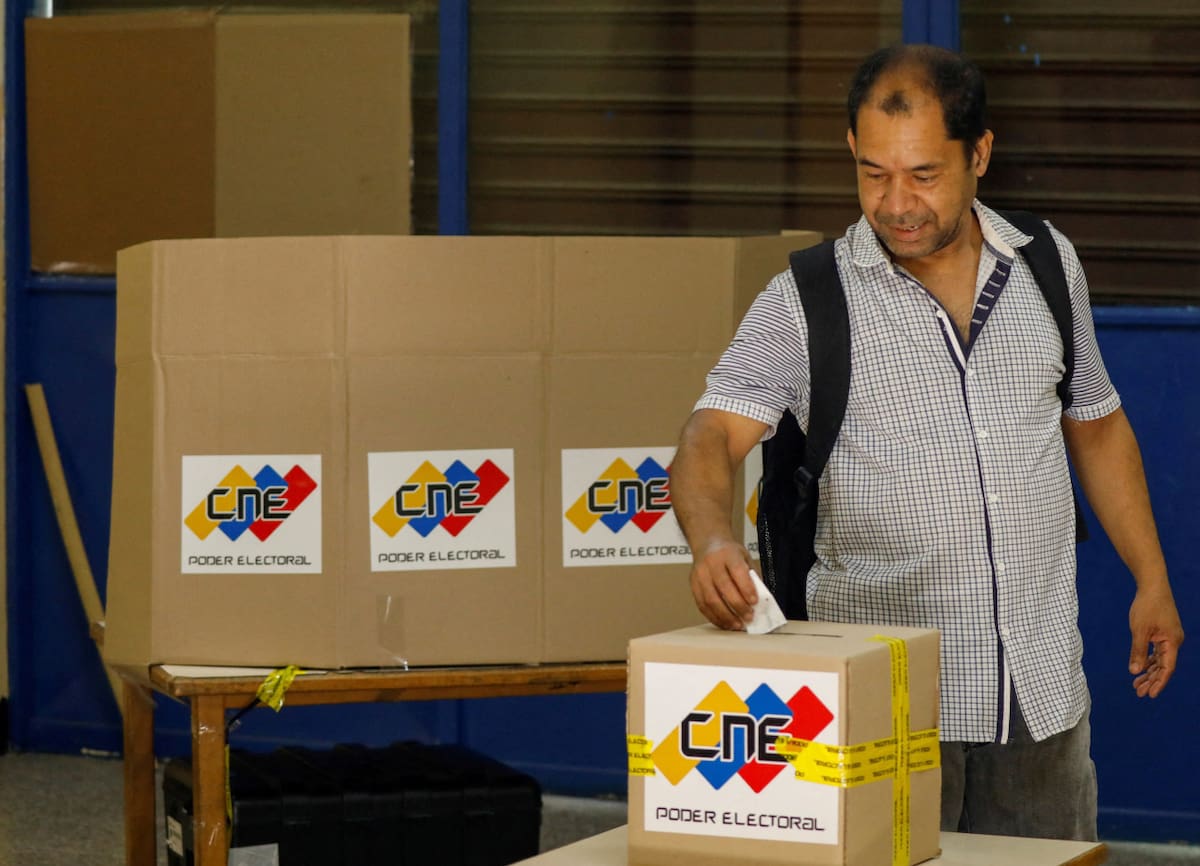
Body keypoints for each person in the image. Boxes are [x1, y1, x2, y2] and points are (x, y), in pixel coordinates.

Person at [669, 43, 1183, 842]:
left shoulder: (1048, 264)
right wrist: (710, 540)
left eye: (924, 175)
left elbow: (1097, 422)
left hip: (1039, 697)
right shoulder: (807, 299)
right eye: (874, 173)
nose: (897, 202)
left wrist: (1150, 577)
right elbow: (709, 434)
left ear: (980, 153)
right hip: (886, 708)